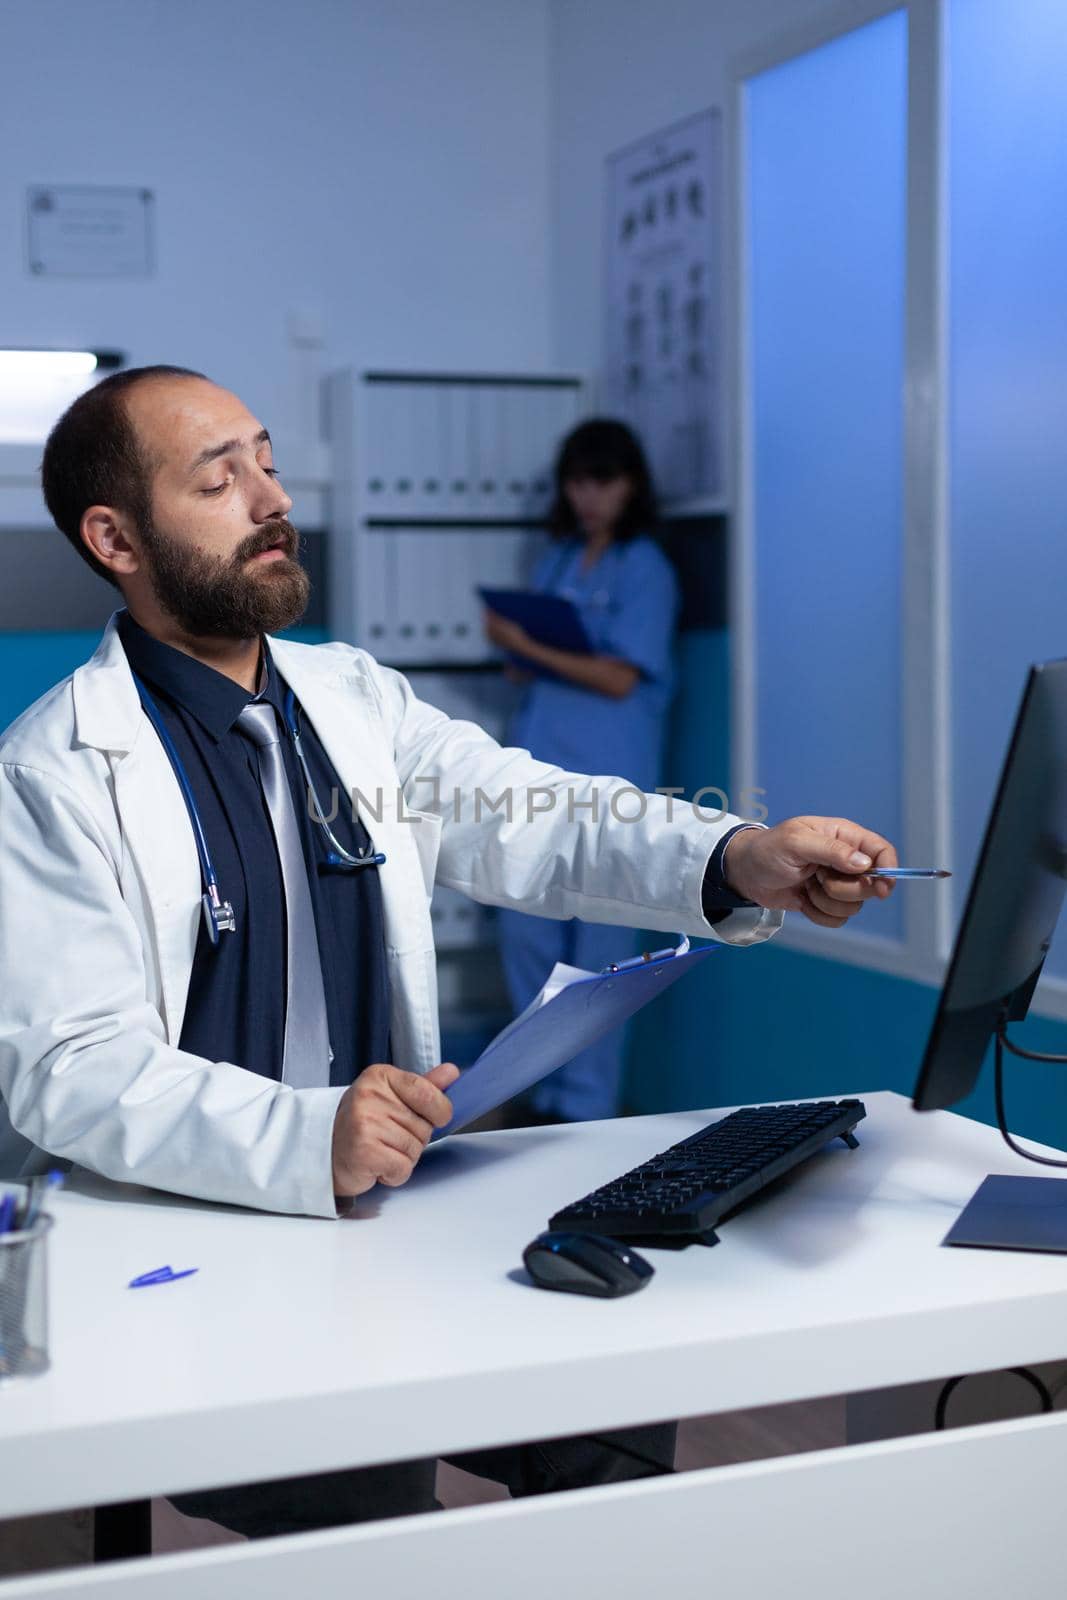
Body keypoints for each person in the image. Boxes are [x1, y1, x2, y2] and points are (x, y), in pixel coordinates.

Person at [0, 366, 896, 1535]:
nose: (269, 497)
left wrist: (734, 856)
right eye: (219, 479)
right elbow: (66, 1066)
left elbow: (536, 812)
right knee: (373, 1490)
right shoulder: (56, 771)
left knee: (613, 1384)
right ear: (113, 538)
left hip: (390, 1209)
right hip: (203, 1239)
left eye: (267, 460)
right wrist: (306, 1134)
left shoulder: (349, 697)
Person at [486, 418, 680, 1122]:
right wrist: (513, 646)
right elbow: (526, 664)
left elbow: (619, 679)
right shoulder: (558, 561)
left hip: (610, 779)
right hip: (540, 769)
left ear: (630, 486)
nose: (587, 497)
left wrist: (527, 646)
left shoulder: (645, 569)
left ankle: (584, 1107)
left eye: (602, 482)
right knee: (524, 930)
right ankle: (534, 1089)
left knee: (601, 952)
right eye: (576, 483)